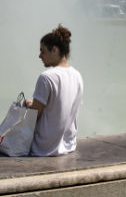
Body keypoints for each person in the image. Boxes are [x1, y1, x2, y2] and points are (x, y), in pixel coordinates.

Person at [23, 25, 84, 157]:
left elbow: (35, 113)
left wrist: (28, 104)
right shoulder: (77, 75)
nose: (40, 56)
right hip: (69, 146)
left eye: (43, 51)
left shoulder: (47, 77)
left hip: (44, 148)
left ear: (54, 50)